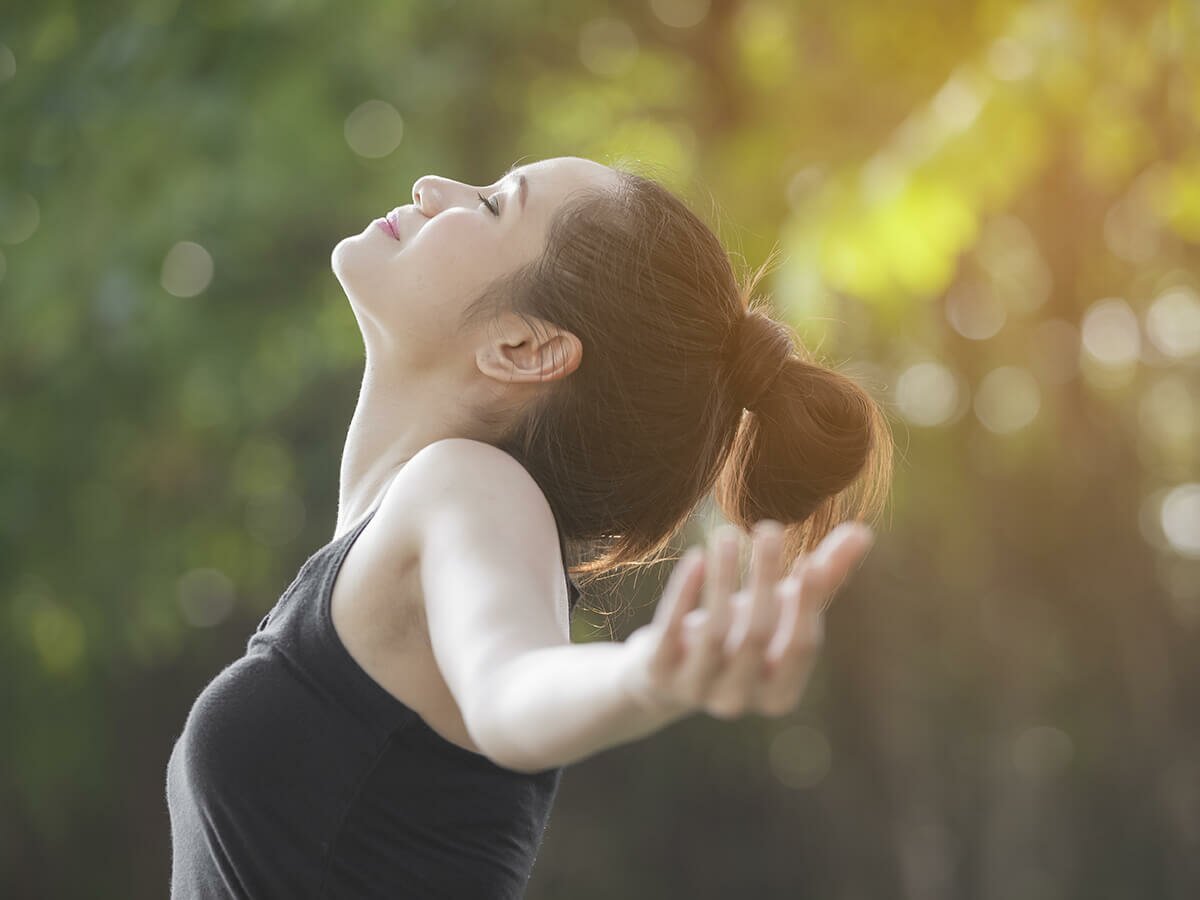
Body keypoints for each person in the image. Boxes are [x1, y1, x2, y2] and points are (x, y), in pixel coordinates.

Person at [165, 155, 893, 898]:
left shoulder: (471, 488)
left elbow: (511, 686)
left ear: (524, 348)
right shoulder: (409, 523)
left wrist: (643, 678)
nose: (431, 187)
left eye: (489, 205)